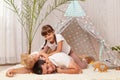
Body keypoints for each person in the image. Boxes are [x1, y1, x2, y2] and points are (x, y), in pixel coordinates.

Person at [6, 52, 82, 77]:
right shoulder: (41, 63)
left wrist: (61, 71)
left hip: (69, 55)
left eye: (48, 67)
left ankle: (85, 58)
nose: (51, 70)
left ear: (45, 61)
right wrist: (13, 70)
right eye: (48, 72)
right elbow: (29, 69)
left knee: (83, 65)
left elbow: (78, 70)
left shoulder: (61, 58)